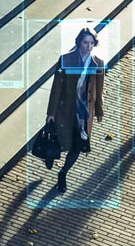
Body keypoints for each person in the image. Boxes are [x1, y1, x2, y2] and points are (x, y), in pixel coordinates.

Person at [45, 27, 106, 195]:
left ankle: (63, 173)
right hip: (66, 109)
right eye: (85, 42)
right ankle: (49, 154)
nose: (88, 46)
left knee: (77, 146)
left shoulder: (98, 63)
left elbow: (99, 88)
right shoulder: (65, 60)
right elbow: (57, 86)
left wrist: (99, 110)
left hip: (83, 113)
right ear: (79, 42)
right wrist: (51, 111)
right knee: (61, 138)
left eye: (91, 43)